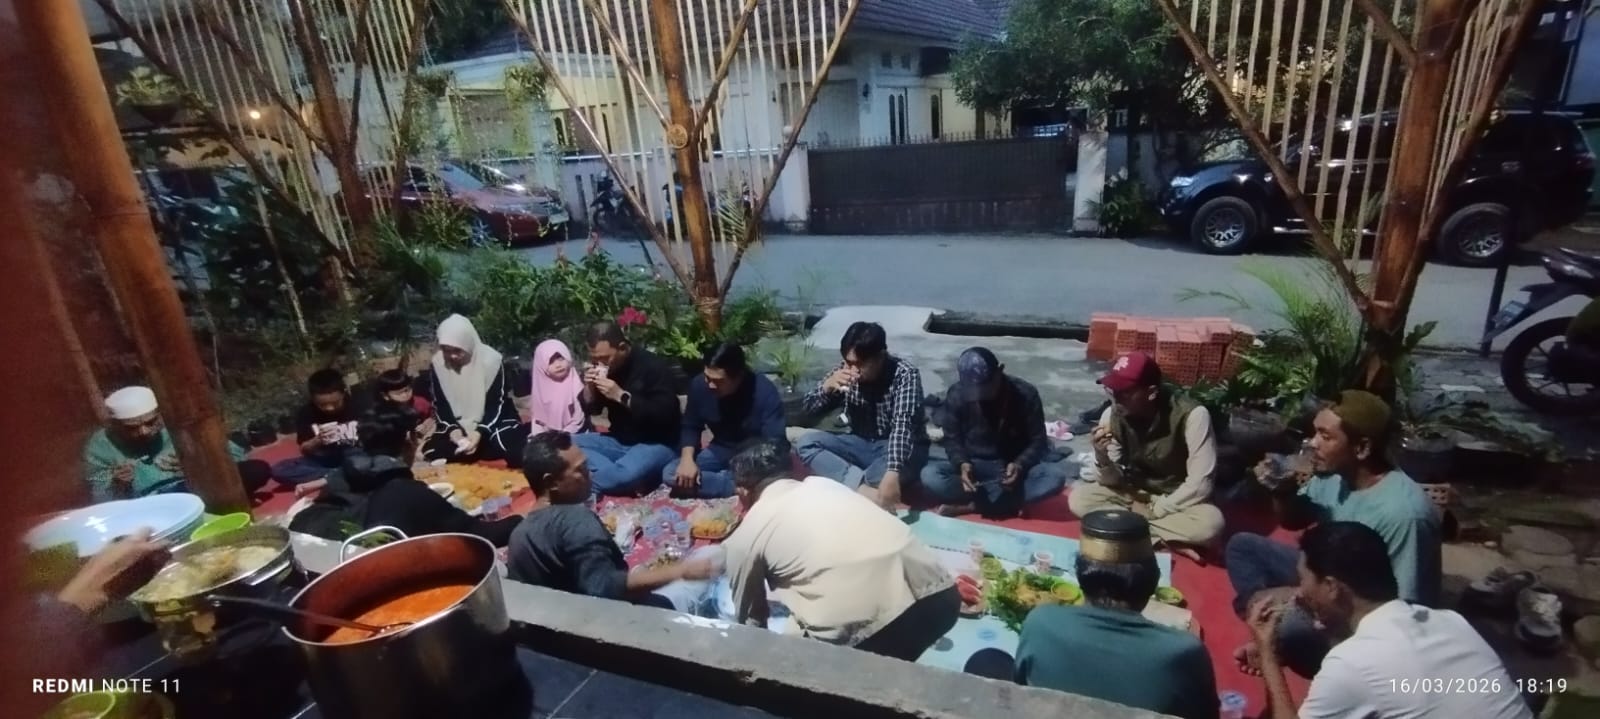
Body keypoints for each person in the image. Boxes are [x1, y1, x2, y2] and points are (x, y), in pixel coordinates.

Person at [1227, 390, 1442, 679]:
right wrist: (1283, 491)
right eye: (1314, 433)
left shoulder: (1404, 514)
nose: (1312, 443)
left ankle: (1273, 629)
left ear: (1361, 448)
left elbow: (1405, 611)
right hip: (1321, 581)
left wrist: (1302, 601)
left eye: (1325, 436)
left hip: (1361, 614)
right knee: (1242, 547)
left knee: (1290, 627)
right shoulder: (1334, 476)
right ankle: (1268, 615)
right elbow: (1294, 521)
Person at [1248, 522, 1530, 719]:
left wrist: (1268, 654)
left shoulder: (1350, 664)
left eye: (1303, 580)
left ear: (1332, 587)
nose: (1299, 592)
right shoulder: (1451, 621)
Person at [724, 439, 958, 661]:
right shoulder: (824, 484)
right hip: (942, 596)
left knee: (791, 654)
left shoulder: (745, 536)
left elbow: (752, 627)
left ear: (743, 492)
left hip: (873, 631)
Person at [991, 509, 1218, 719]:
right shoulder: (1183, 652)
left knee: (988, 660)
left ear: (1081, 577)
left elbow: (1023, 690)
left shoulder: (1041, 622)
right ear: (1152, 581)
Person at [506, 430, 717, 611]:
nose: (590, 474)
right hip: (623, 623)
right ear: (551, 482)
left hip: (562, 624)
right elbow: (607, 589)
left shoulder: (518, 536)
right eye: (580, 470)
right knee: (714, 556)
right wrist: (680, 571)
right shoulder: (575, 520)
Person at [290, 404, 521, 546]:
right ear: (409, 440)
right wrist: (521, 521)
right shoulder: (405, 492)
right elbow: (477, 536)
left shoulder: (343, 476)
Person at [1069, 352, 1225, 558]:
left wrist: (1155, 510)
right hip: (1134, 493)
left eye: (1125, 392)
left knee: (1211, 524)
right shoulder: (1112, 415)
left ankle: (1127, 530)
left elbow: (1200, 484)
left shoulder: (1192, 416)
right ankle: (1160, 538)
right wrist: (1102, 456)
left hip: (1176, 499)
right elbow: (1112, 481)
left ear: (1151, 392)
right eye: (1113, 390)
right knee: (1079, 499)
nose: (1116, 398)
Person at [794, 322, 929, 510]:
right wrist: (826, 388)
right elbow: (806, 411)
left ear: (880, 357)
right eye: (848, 363)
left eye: (860, 364)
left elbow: (903, 426)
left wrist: (893, 470)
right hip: (861, 442)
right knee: (806, 443)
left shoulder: (905, 375)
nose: (853, 370)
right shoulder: (845, 370)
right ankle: (863, 490)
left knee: (878, 475)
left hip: (899, 447)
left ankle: (855, 482)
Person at [922, 347, 1065, 519]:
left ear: (1000, 371)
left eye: (985, 387)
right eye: (973, 390)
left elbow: (1038, 440)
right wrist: (962, 464)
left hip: (1010, 469)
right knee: (930, 476)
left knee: (1053, 477)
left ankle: (974, 506)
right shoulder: (957, 393)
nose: (980, 395)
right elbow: (952, 439)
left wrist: (1020, 464)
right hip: (974, 468)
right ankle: (1003, 504)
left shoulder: (1025, 394)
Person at [83, 386, 270, 502]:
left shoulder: (178, 425)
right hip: (148, 502)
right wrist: (118, 484)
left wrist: (195, 465)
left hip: (194, 486)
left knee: (255, 470)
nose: (144, 432)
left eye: (150, 423)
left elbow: (232, 454)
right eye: (132, 428)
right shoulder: (100, 446)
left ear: (160, 414)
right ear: (116, 426)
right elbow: (100, 499)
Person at [571, 321, 680, 496]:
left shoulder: (653, 366)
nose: (600, 363)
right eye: (595, 359)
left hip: (656, 442)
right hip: (619, 439)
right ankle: (624, 473)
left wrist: (621, 396)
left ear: (622, 348)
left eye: (604, 358)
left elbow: (664, 415)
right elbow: (593, 410)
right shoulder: (606, 368)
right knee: (564, 445)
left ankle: (604, 478)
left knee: (621, 475)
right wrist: (589, 387)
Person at [665, 343, 787, 498]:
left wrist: (756, 468)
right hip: (721, 449)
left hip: (754, 454)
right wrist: (687, 460)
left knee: (775, 476)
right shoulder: (700, 385)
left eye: (718, 381)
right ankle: (737, 485)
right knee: (671, 473)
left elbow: (775, 443)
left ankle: (736, 481)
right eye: (707, 378)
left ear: (738, 377)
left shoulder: (764, 391)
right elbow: (691, 425)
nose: (710, 385)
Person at [421, 314, 530, 468]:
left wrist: (479, 431)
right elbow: (441, 404)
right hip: (458, 425)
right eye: (446, 350)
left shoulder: (491, 361)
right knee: (433, 450)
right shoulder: (438, 363)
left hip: (493, 422)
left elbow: (496, 403)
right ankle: (474, 450)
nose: (452, 356)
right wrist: (453, 431)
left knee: (510, 446)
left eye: (457, 350)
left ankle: (476, 450)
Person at [270, 369, 360, 485]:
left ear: (343, 394)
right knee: (279, 470)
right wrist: (318, 440)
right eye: (322, 405)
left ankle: (338, 474)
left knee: (361, 458)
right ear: (313, 399)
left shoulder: (358, 405)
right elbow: (304, 449)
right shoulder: (306, 412)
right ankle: (337, 474)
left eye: (335, 403)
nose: (329, 408)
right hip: (324, 459)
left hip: (353, 455)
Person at [527, 339, 588, 434]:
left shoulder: (575, 383)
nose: (558, 365)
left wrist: (560, 436)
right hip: (548, 436)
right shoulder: (540, 387)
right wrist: (538, 437)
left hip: (574, 434)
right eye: (550, 361)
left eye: (561, 358)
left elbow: (578, 420)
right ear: (541, 365)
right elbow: (538, 420)